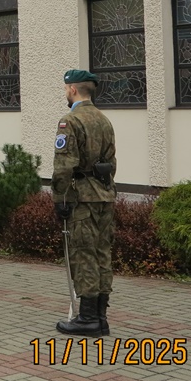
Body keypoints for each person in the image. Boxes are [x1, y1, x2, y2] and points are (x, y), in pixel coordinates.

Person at [53, 69, 117, 337]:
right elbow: (112, 163)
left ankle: (88, 318)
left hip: (81, 197)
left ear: (73, 89)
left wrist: (60, 198)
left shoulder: (70, 121)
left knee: (83, 254)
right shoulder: (104, 120)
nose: (66, 92)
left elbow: (64, 166)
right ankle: (101, 317)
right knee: (102, 253)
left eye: (66, 89)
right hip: (104, 195)